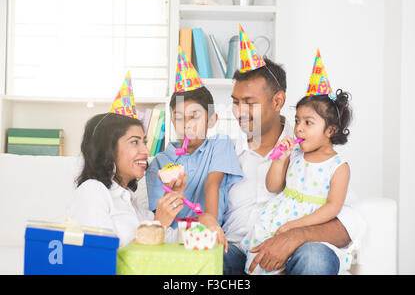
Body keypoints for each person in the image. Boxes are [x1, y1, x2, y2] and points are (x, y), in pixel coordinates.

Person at [222, 57, 365, 275]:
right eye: (235, 102)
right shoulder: (225, 152)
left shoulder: (316, 155)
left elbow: (349, 220)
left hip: (298, 253)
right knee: (207, 257)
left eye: (249, 103)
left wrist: (295, 235)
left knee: (315, 258)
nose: (238, 112)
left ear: (278, 101)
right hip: (238, 253)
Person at [67, 112, 221, 248]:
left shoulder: (134, 204)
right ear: (108, 149)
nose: (146, 151)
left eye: (144, 142)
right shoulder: (92, 191)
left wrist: (202, 225)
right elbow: (102, 260)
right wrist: (158, 225)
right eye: (135, 142)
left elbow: (168, 241)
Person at [242, 89, 353, 275]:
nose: (298, 128)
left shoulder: (339, 166)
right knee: (267, 264)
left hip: (310, 225)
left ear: (330, 130)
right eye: (297, 121)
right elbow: (273, 186)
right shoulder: (295, 155)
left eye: (308, 122)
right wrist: (280, 160)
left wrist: (296, 225)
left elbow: (333, 207)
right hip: (278, 221)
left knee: (301, 260)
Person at [146, 86, 243, 251]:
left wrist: (208, 221)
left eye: (194, 117)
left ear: (211, 120)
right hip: (176, 242)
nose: (187, 126)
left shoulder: (220, 144)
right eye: (179, 118)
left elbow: (212, 184)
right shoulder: (160, 162)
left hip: (212, 238)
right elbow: (160, 217)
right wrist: (173, 194)